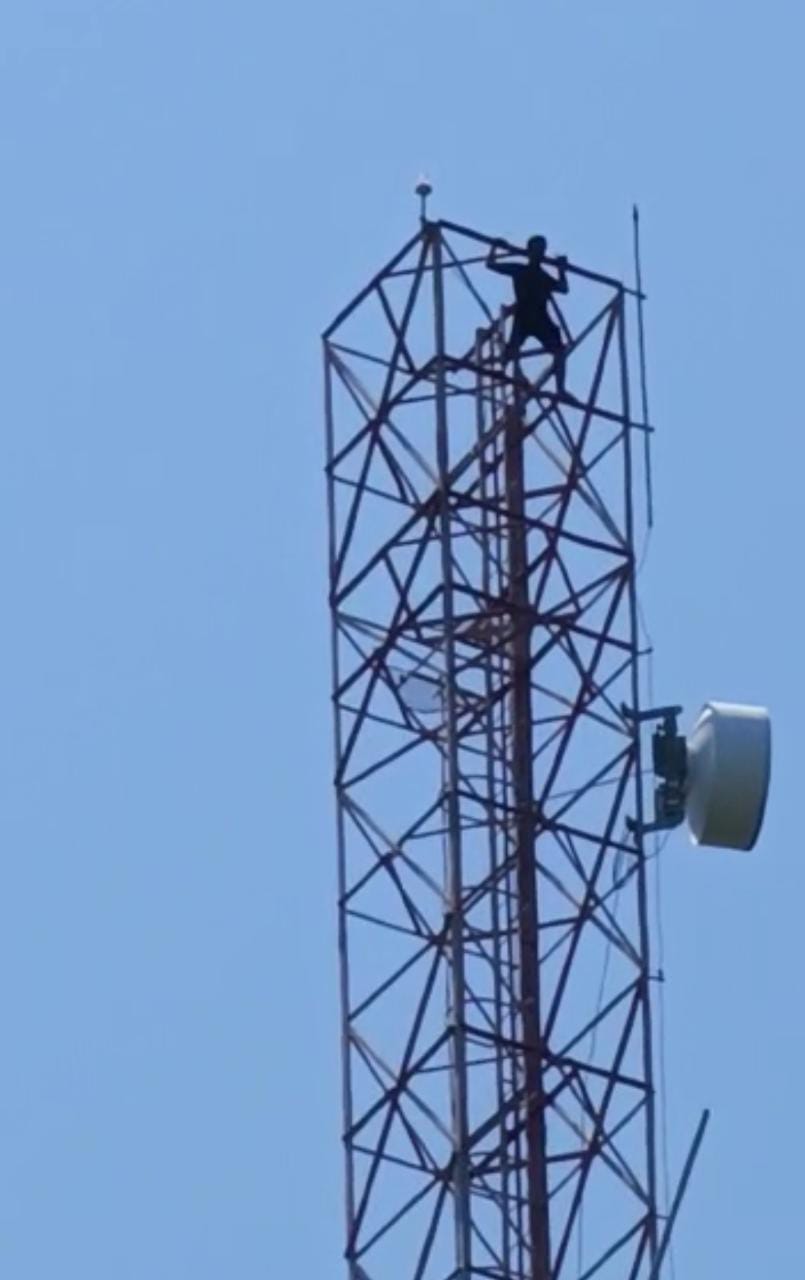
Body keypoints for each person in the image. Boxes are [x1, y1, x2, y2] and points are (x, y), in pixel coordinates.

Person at [486, 234, 570, 393]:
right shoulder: (520, 270)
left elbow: (563, 288)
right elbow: (490, 264)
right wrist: (494, 247)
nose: (540, 253)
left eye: (542, 250)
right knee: (511, 350)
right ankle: (503, 372)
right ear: (529, 251)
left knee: (559, 350)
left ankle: (561, 390)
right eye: (537, 249)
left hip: (540, 317)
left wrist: (561, 269)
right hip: (524, 316)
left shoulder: (541, 276)